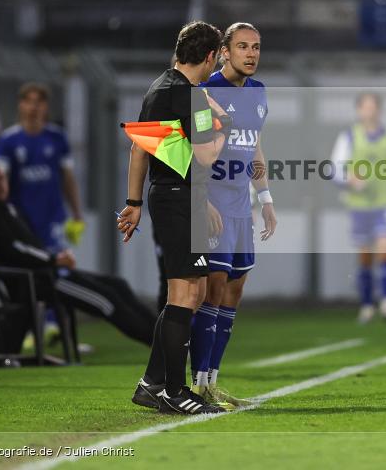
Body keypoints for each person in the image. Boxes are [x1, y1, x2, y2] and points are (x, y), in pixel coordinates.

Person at [119, 21, 232, 415]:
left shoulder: (161, 87)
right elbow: (205, 157)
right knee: (184, 293)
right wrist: (225, 127)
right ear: (211, 56)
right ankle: (174, 389)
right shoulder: (190, 97)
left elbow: (139, 149)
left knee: (192, 293)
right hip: (177, 200)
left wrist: (133, 202)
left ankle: (152, 383)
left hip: (169, 196)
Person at [0, 160, 156, 348]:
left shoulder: (7, 209)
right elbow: (16, 249)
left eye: (1, 178)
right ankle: (160, 345)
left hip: (48, 274)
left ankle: (166, 336)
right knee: (106, 302)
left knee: (118, 285)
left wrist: (55, 257)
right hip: (37, 281)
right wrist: (54, 259)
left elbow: (29, 247)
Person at [188, 22, 277, 409]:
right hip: (214, 204)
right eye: (242, 46)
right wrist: (200, 200)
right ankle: (197, 385)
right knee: (213, 288)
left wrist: (267, 198)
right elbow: (195, 150)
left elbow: (253, 146)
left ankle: (212, 381)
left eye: (256, 46)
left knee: (234, 291)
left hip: (242, 205)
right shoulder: (206, 94)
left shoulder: (258, 94)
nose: (251, 53)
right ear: (224, 52)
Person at [330, 92, 386, 323]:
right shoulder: (349, 137)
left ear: (379, 110)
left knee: (385, 251)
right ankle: (366, 305)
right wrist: (349, 179)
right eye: (365, 107)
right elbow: (333, 169)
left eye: (373, 107)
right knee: (365, 257)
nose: (370, 111)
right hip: (359, 206)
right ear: (359, 111)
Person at [0, 83, 85, 253]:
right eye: (28, 101)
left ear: (45, 106)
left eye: (38, 102)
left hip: (53, 219)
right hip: (20, 219)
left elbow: (68, 179)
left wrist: (77, 213)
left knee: (56, 268)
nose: (33, 107)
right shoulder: (8, 141)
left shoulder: (57, 138)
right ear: (21, 105)